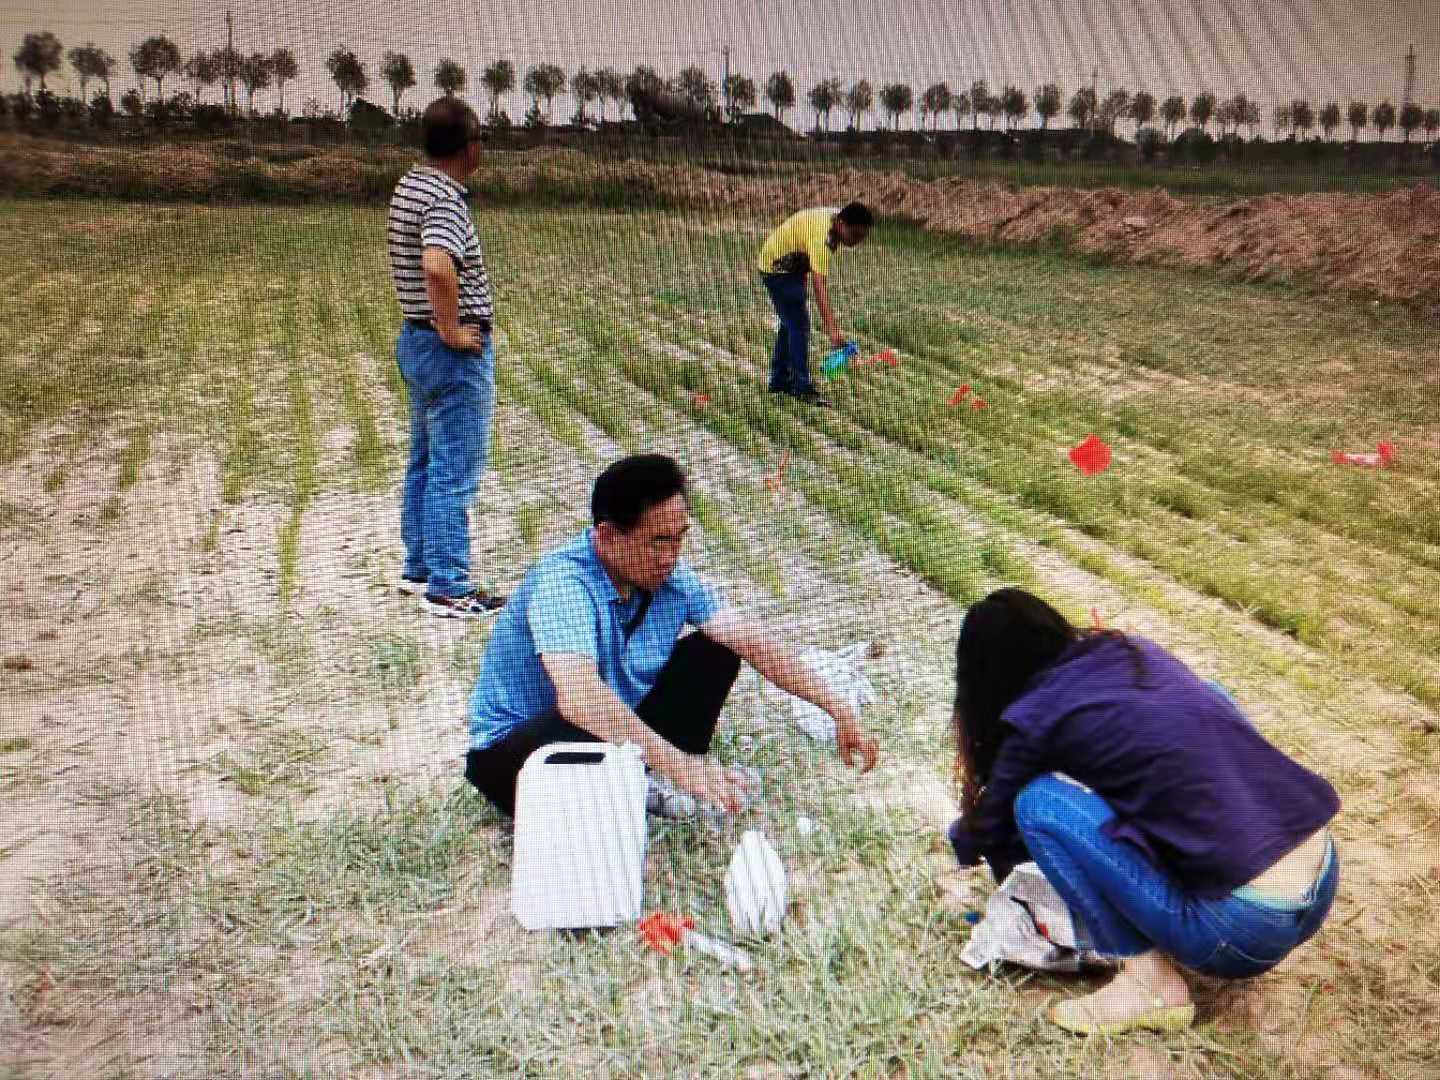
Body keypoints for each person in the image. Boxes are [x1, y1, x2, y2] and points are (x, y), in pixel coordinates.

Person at [946, 588, 1340, 1036]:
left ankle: (1149, 985)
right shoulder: (1129, 652)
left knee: (1037, 803)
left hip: (1246, 929)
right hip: (1320, 877)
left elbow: (989, 830)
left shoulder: (1033, 717)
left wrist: (958, 841)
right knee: (1207, 696)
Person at [464, 454, 880, 817]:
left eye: (679, 539)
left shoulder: (670, 579)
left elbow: (751, 640)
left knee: (715, 650)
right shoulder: (564, 584)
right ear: (607, 537)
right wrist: (685, 768)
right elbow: (579, 699)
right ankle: (652, 777)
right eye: (656, 542)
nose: (670, 557)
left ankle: (642, 777)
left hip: (598, 730)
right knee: (586, 710)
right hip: (519, 755)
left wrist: (837, 707)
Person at [387, 97, 505, 619]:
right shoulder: (446, 200)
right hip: (448, 353)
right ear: (470, 145)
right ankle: (450, 586)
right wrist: (452, 329)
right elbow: (438, 265)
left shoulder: (411, 185)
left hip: (415, 344)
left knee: (424, 463)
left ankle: (420, 570)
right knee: (453, 473)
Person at [756, 201, 874, 407]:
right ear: (840, 223)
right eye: (854, 235)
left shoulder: (836, 220)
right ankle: (801, 387)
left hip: (790, 266)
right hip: (778, 269)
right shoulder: (823, 237)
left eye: (862, 237)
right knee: (799, 326)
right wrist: (833, 332)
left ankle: (779, 380)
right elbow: (819, 287)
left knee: (790, 324)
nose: (856, 242)